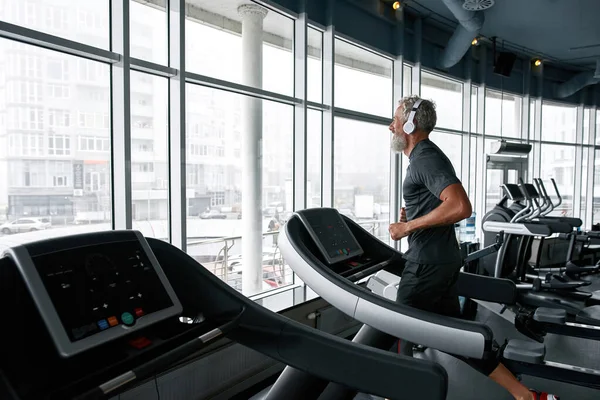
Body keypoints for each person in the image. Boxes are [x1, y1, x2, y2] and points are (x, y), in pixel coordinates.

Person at [387, 95, 558, 400]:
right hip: (442, 261)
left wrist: (407, 227)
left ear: (410, 124)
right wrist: (412, 215)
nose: (391, 126)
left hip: (426, 265)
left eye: (395, 120)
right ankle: (525, 396)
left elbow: (460, 206)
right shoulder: (424, 158)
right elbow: (441, 205)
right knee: (461, 339)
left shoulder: (425, 157)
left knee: (401, 332)